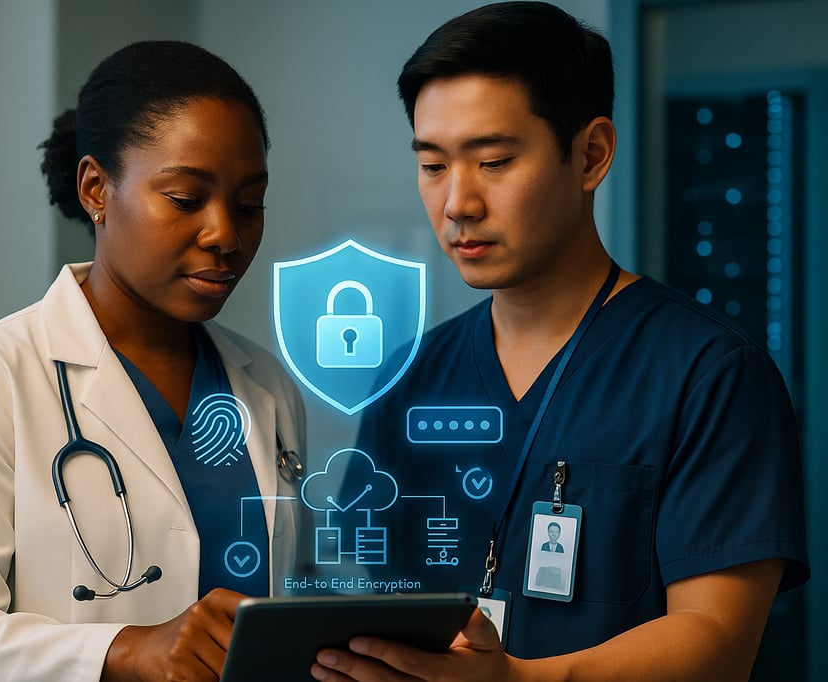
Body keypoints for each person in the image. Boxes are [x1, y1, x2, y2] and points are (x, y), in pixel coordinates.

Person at [312, 2, 808, 681]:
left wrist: (515, 680)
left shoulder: (710, 373)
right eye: (433, 166)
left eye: (493, 160)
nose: (458, 202)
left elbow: (717, 641)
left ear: (591, 154)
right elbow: (371, 605)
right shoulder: (412, 377)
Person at [0, 40, 307, 681]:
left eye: (248, 205)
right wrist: (120, 651)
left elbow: (284, 605)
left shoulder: (267, 387)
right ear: (96, 188)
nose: (226, 233)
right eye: (186, 199)